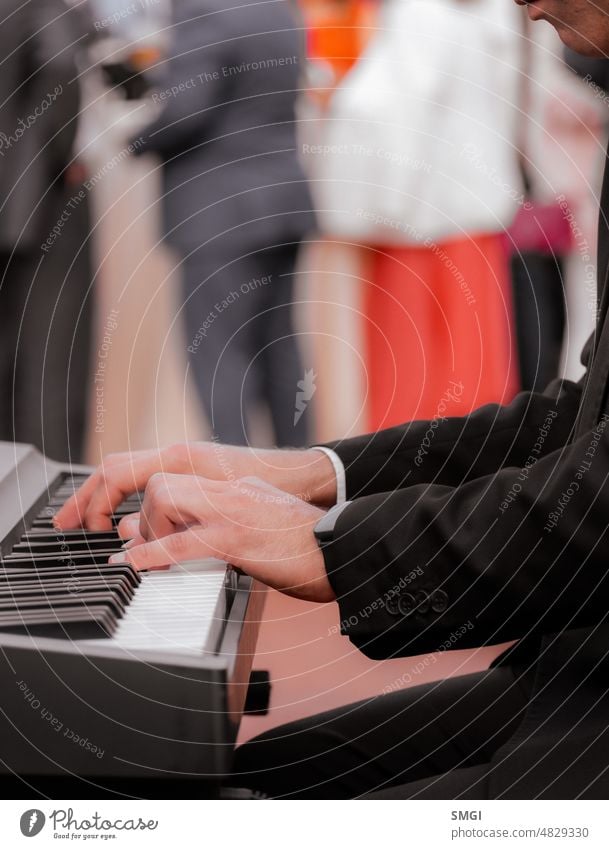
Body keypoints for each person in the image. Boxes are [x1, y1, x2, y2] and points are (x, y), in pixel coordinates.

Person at [56, 0, 609, 799]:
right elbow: (575, 418)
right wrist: (309, 474)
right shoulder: (280, 17)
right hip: (575, 660)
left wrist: (331, 545)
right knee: (261, 768)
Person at [132, 0, 316, 446]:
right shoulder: (279, 8)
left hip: (219, 211)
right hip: (282, 200)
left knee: (218, 356)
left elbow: (186, 109)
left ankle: (232, 485)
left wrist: (135, 139)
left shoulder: (203, 9)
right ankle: (305, 473)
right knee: (281, 347)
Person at [0, 0, 94, 462]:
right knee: (50, 362)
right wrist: (56, 157)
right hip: (40, 206)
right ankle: (52, 513)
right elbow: (59, 62)